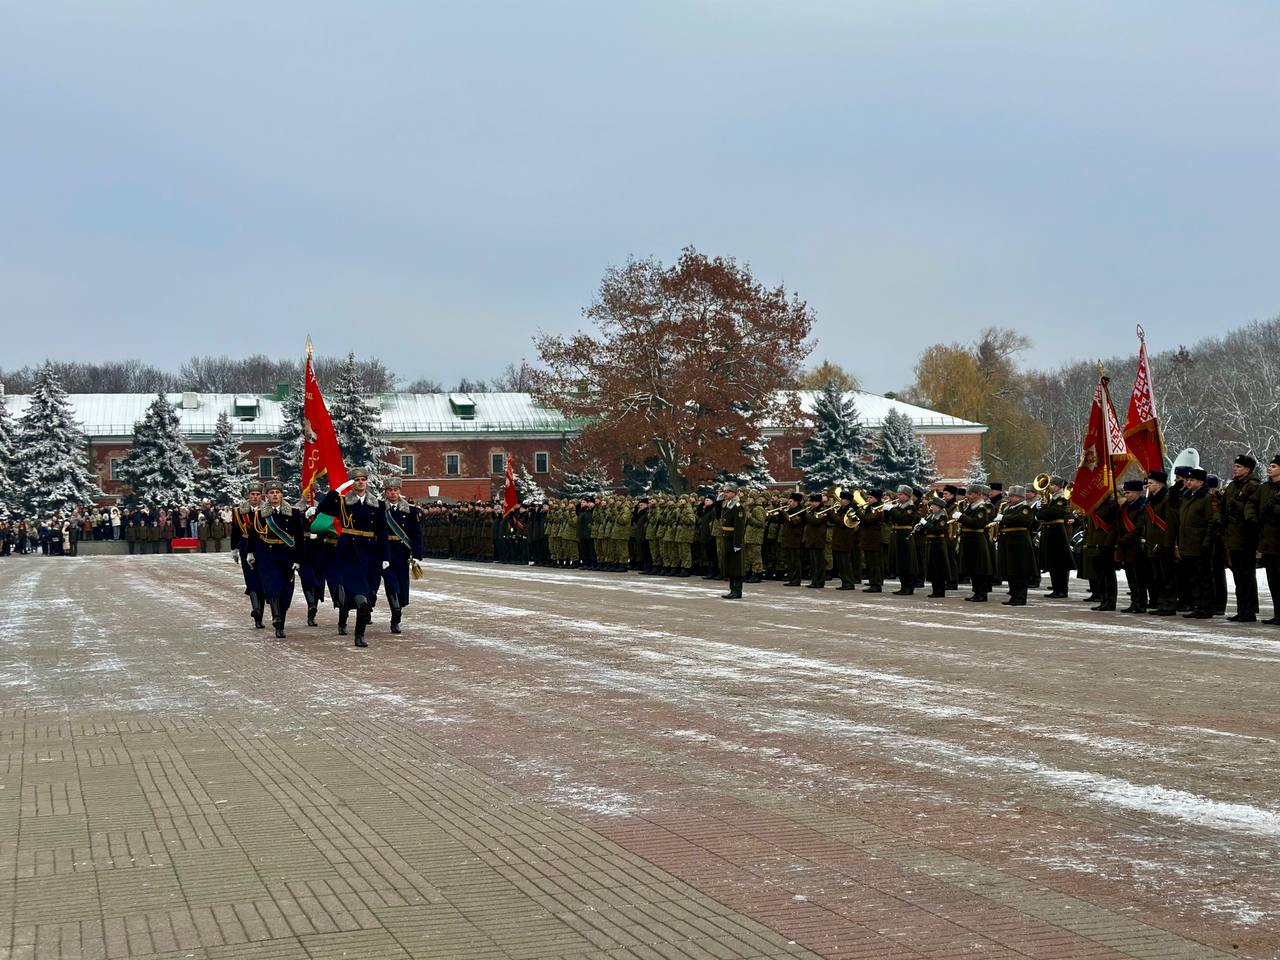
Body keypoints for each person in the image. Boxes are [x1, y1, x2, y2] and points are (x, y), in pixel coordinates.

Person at [316, 468, 387, 647]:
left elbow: (382, 532)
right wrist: (337, 490)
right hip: (349, 550)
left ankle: (357, 619)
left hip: (371, 551)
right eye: (356, 479)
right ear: (351, 483)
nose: (360, 482)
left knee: (369, 591)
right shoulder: (343, 502)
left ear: (367, 482)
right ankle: (359, 635)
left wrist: (385, 555)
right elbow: (322, 508)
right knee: (359, 591)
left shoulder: (377, 504)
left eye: (363, 479)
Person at [250, 480, 303, 639]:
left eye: (277, 492)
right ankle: (276, 618)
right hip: (267, 554)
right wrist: (250, 553)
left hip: (287, 554)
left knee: (286, 590)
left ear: (282, 495)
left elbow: (299, 537)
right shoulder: (260, 513)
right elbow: (254, 535)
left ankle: (281, 621)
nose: (275, 495)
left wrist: (298, 559)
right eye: (271, 493)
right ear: (266, 496)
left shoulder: (293, 512)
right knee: (272, 585)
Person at [1222, 454, 1262, 623]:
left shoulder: (1253, 486)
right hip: (1233, 536)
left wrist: (1236, 506)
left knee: (1246, 576)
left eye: (1238, 466)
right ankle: (1242, 610)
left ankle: (1249, 611)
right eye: (1235, 466)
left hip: (1246, 537)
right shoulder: (1233, 485)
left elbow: (1251, 509)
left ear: (1247, 469)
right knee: (1238, 576)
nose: (1235, 468)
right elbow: (1224, 505)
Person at [382, 478, 424, 634]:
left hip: (402, 552)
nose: (393, 493)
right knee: (391, 584)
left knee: (402, 585)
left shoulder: (410, 510)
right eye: (390, 490)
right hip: (385, 552)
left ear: (399, 491)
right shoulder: (380, 509)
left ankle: (398, 610)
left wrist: (417, 554)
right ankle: (395, 613)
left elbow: (416, 534)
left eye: (395, 490)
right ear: (385, 492)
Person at [1178, 468, 1216, 619]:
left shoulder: (1206, 498)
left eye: (1192, 480)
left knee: (1204, 577)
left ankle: (1207, 607)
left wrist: (1207, 542)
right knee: (1193, 578)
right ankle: (1198, 606)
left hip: (1199, 544)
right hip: (1187, 543)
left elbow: (1211, 522)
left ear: (1200, 482)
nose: (1188, 482)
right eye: (1188, 480)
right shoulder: (1187, 496)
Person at [230, 482, 266, 629]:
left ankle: (260, 613)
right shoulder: (239, 511)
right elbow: (235, 530)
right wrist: (234, 548)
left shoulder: (267, 509)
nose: (255, 497)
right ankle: (256, 611)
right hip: (245, 546)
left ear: (261, 496)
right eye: (252, 494)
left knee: (262, 580)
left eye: (258, 495)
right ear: (248, 496)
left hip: (263, 546)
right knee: (251, 579)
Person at [996, 485, 1038, 605]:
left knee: (1020, 571)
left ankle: (1020, 597)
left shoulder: (1025, 508)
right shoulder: (1009, 508)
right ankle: (1014, 596)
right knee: (1011, 571)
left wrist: (1004, 518)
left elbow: (1022, 520)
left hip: (1020, 543)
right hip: (1009, 542)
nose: (1009, 498)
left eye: (1012, 496)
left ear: (1019, 497)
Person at [1117, 480, 1150, 613]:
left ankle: (1141, 603)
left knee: (1139, 578)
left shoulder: (1142, 506)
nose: (1126, 495)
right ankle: (1134, 602)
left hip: (1136, 547)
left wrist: (1124, 539)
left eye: (1128, 492)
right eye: (1125, 493)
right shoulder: (1125, 507)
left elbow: (1139, 528)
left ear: (1137, 492)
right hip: (1126, 547)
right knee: (1130, 577)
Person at [1260, 455, 1280, 625]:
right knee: (1273, 581)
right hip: (1268, 540)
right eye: (1270, 465)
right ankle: (1277, 614)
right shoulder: (1265, 488)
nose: (1269, 468)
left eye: (1274, 466)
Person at [719, 484, 746, 599]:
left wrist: (737, 543)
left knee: (736, 566)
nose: (725, 494)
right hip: (727, 537)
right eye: (725, 492)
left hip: (734, 538)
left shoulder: (738, 506)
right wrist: (718, 502)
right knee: (730, 565)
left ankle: (737, 591)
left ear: (734, 493)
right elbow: (718, 516)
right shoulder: (728, 504)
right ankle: (732, 590)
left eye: (728, 492)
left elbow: (739, 526)